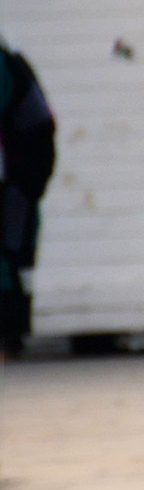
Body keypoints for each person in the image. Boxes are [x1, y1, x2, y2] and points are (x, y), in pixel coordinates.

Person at [0, 33, 53, 355]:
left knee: (9, 251)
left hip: (16, 181)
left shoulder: (5, 66)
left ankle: (9, 331)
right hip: (20, 179)